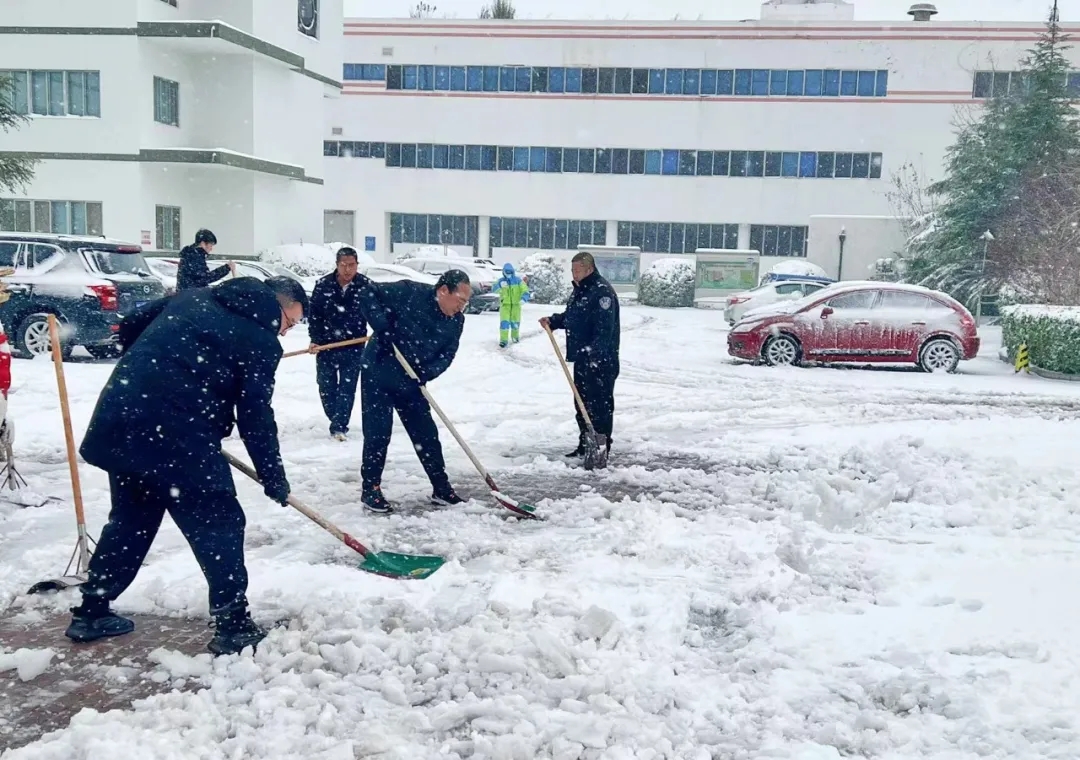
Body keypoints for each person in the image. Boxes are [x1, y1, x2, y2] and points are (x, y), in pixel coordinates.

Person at [64, 276, 309, 656]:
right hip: (178, 434)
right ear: (278, 306)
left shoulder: (195, 297)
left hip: (125, 410)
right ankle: (233, 624)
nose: (285, 331)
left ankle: (91, 611)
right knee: (219, 522)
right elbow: (255, 415)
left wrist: (158, 371)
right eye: (289, 322)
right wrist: (273, 476)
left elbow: (130, 325)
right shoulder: (260, 340)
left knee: (132, 517)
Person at [356, 269, 471, 513]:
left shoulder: (456, 320)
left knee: (426, 434)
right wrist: (381, 325)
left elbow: (447, 354)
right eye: (460, 300)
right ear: (443, 291)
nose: (462, 307)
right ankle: (371, 489)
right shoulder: (409, 293)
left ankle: (441, 487)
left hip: (412, 380)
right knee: (378, 433)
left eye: (465, 302)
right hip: (379, 372)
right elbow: (366, 293)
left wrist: (426, 372)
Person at [539, 252, 621, 463]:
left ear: (589, 269)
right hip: (584, 360)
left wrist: (594, 356)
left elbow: (604, 331)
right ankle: (585, 445)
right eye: (572, 270)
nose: (574, 274)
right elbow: (574, 317)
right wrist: (554, 321)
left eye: (577, 270)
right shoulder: (581, 291)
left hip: (601, 362)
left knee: (600, 406)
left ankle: (600, 449)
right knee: (582, 404)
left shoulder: (602, 293)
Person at [308, 246, 369, 440]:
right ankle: (335, 416)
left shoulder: (366, 286)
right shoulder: (323, 285)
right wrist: (315, 339)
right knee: (326, 386)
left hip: (354, 345)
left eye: (352, 265)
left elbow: (377, 312)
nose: (348, 270)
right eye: (344, 265)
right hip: (327, 345)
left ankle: (339, 426)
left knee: (347, 387)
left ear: (357, 265)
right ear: (337, 265)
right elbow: (315, 315)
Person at [492, 262, 530, 348]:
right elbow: (494, 288)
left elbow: (525, 290)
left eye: (510, 272)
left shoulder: (518, 281)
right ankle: (503, 340)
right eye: (507, 272)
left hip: (516, 305)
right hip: (505, 305)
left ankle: (515, 337)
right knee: (504, 323)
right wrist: (499, 289)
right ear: (504, 272)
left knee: (515, 323)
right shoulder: (501, 281)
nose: (508, 274)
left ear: (513, 272)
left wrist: (524, 298)